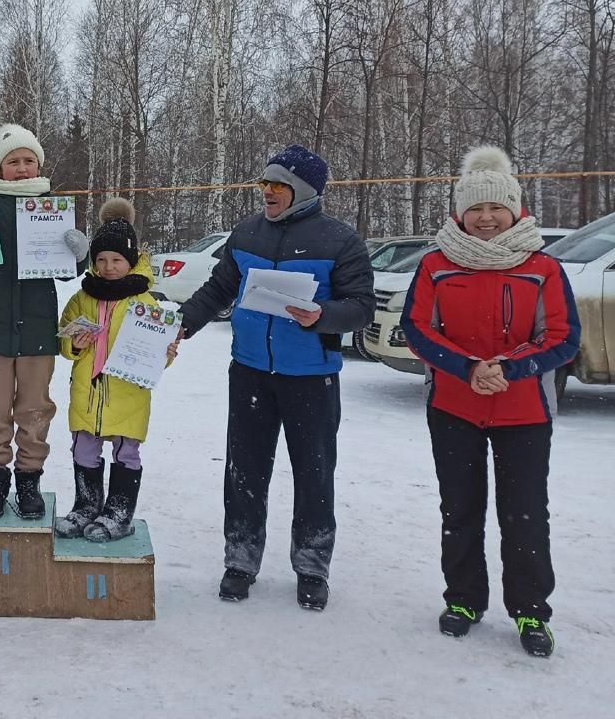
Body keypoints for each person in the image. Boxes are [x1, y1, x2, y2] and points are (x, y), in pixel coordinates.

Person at [400, 146, 579, 658]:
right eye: (475, 208)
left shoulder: (542, 266)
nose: (485, 218)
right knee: (460, 508)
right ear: (459, 212)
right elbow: (416, 327)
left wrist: (511, 368)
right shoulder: (436, 264)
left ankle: (529, 610)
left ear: (515, 209)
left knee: (523, 513)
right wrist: (466, 367)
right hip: (454, 407)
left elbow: (563, 339)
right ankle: (463, 600)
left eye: (495, 208)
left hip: (524, 411)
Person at [178, 145, 373, 610]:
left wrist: (321, 314)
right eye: (264, 184)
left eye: (277, 185)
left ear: (302, 191)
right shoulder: (246, 234)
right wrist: (180, 325)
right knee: (243, 470)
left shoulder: (339, 241)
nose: (267, 192)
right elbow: (218, 288)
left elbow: (362, 307)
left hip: (312, 377)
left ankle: (311, 566)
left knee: (314, 473)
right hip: (249, 372)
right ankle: (240, 560)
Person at [0, 124, 89, 520]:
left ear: (38, 165)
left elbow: (66, 271)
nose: (22, 168)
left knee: (35, 407)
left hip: (38, 327)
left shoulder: (51, 206)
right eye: (13, 162)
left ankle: (29, 479)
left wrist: (78, 252)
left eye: (28, 161)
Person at [56, 198, 178, 541]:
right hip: (87, 391)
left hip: (128, 394)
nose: (109, 267)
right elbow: (64, 341)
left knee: (126, 451)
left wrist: (166, 352)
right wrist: (75, 344)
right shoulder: (82, 298)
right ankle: (86, 506)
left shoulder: (146, 303)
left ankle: (119, 512)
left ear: (132, 261)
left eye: (117, 260)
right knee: (83, 448)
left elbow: (159, 355)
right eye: (102, 260)